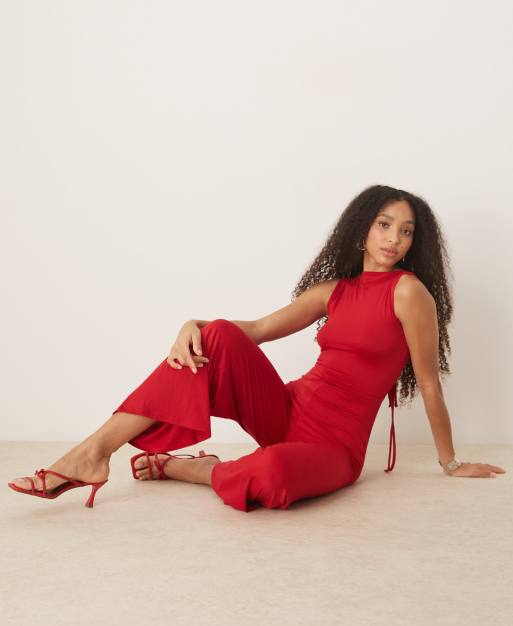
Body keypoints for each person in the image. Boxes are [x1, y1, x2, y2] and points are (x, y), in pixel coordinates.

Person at [8, 184, 506, 511]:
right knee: (217, 334)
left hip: (334, 447)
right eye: (384, 224)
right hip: (287, 411)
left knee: (272, 474)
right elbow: (257, 329)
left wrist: (450, 463)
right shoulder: (333, 291)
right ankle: (93, 453)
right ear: (362, 229)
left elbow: (429, 384)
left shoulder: (409, 293)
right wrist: (191, 324)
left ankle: (191, 468)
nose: (394, 238)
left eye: (406, 231)